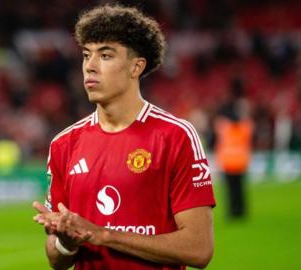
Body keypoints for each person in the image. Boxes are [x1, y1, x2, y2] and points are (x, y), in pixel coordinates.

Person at [32, 5, 216, 269]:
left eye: (105, 55)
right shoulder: (64, 144)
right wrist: (65, 243)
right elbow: (55, 259)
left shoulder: (175, 136)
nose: (90, 67)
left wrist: (104, 235)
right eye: (86, 55)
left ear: (136, 67)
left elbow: (199, 249)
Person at [215, 78, 253, 219]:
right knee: (240, 190)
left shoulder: (224, 127)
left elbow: (219, 125)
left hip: (228, 162)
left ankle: (232, 212)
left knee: (230, 190)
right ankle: (241, 212)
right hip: (241, 162)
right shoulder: (245, 127)